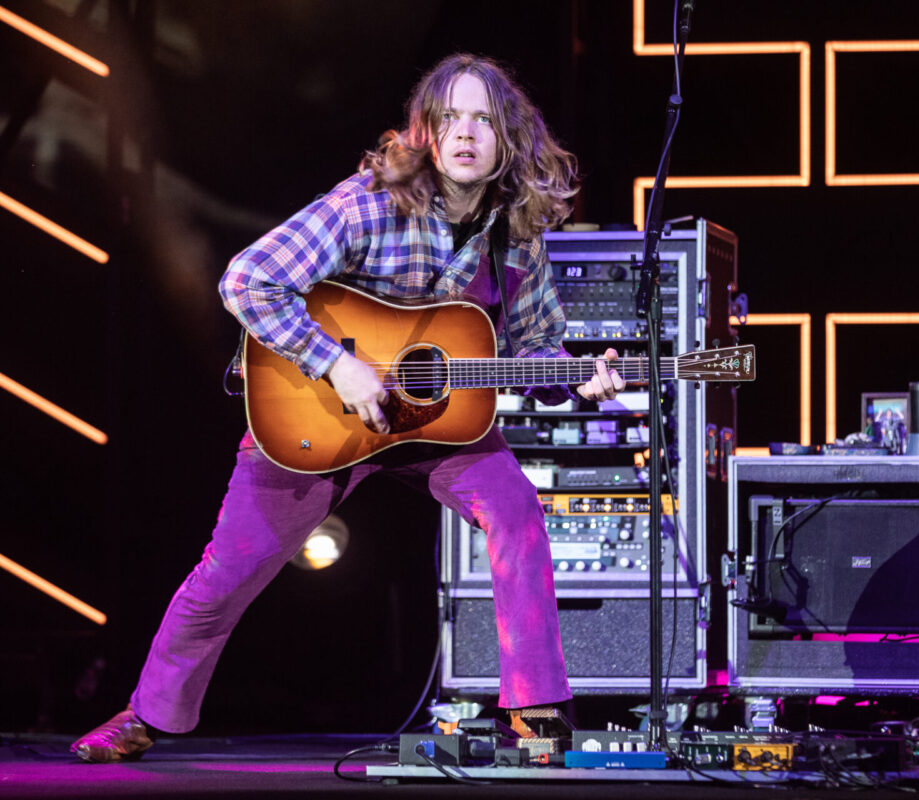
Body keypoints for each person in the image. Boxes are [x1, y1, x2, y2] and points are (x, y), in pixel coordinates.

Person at [70, 53, 625, 762]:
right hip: (317, 417)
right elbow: (247, 280)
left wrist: (579, 376)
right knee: (227, 573)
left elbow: (538, 351)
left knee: (515, 506)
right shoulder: (370, 202)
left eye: (483, 119)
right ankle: (146, 715)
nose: (465, 132)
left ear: (507, 139)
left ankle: (536, 712)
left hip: (440, 431)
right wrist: (337, 364)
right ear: (425, 132)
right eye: (449, 116)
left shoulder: (518, 237)